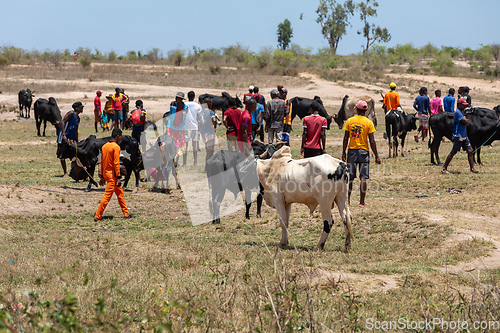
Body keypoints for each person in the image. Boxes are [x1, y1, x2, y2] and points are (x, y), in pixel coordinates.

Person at [342, 100, 381, 207]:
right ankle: (362, 202)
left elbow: (346, 137)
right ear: (365, 110)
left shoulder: (350, 121)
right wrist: (376, 155)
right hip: (364, 152)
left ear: (356, 109)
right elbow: (372, 141)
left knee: (350, 177)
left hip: (352, 151)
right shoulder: (368, 122)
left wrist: (343, 152)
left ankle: (347, 201)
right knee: (363, 178)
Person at [94, 128, 134, 222]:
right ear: (117, 136)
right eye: (121, 137)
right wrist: (119, 177)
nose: (121, 139)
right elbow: (116, 163)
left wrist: (103, 176)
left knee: (119, 193)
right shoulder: (116, 147)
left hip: (107, 174)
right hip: (113, 176)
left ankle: (126, 213)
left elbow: (102, 162)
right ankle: (98, 216)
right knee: (107, 196)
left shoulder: (105, 146)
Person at [441, 98, 478, 174]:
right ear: (459, 105)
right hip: (459, 135)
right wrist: (466, 120)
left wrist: (466, 120)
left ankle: (472, 169)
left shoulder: (462, 112)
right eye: (464, 105)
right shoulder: (458, 112)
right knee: (453, 152)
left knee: (470, 151)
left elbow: (467, 122)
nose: (465, 107)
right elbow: (466, 122)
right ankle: (444, 168)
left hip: (464, 135)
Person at [57, 102, 84, 177]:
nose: (82, 109)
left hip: (71, 138)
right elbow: (62, 122)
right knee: (62, 155)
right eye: (81, 107)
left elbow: (76, 130)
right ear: (76, 108)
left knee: (75, 155)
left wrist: (77, 140)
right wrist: (63, 134)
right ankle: (65, 172)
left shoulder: (78, 118)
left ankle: (74, 172)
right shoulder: (70, 114)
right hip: (63, 137)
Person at [167, 92, 188, 163]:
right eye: (176, 97)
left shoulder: (185, 108)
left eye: (177, 98)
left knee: (179, 146)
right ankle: (170, 159)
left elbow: (184, 118)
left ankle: (176, 161)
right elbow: (172, 114)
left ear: (181, 99)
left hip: (180, 128)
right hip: (171, 127)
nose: (176, 99)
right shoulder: (173, 104)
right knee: (169, 143)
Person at [198, 97, 217, 170]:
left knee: (208, 150)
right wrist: (214, 126)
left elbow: (199, 123)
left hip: (203, 133)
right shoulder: (210, 112)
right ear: (208, 103)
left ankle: (208, 166)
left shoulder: (200, 112)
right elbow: (214, 119)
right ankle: (208, 167)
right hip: (210, 133)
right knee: (211, 151)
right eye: (211, 102)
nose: (211, 104)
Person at [183, 91, 202, 166]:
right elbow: (199, 117)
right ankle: (195, 162)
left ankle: (184, 163)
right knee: (194, 145)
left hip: (185, 127)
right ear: (194, 97)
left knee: (185, 146)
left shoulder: (184, 105)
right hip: (194, 127)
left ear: (187, 97)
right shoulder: (197, 106)